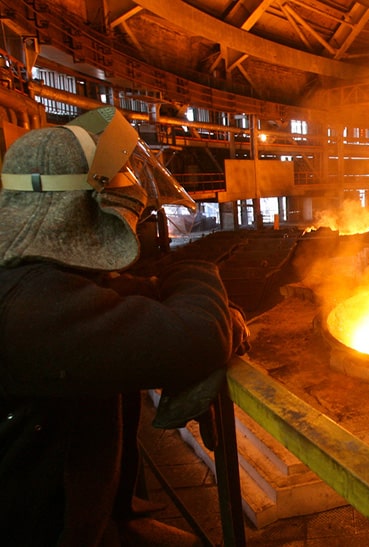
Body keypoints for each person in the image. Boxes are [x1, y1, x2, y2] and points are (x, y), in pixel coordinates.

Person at [0, 106, 249, 546]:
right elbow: (200, 336)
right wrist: (198, 271)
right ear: (77, 209)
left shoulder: (34, 279)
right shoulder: (30, 311)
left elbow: (130, 297)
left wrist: (182, 304)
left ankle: (122, 515)